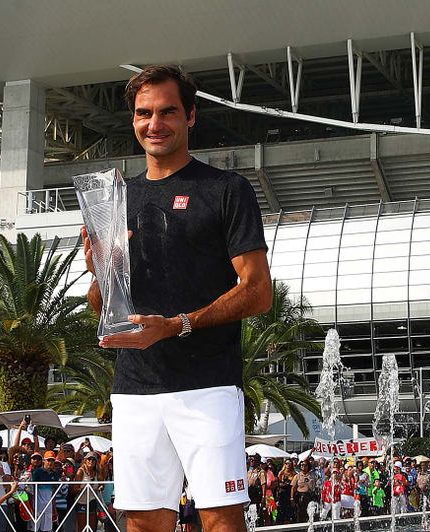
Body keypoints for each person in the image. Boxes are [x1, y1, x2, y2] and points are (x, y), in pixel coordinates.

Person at [86, 64, 272, 532]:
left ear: (191, 116)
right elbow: (101, 306)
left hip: (207, 384)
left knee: (221, 522)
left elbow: (258, 291)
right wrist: (102, 274)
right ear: (133, 120)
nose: (155, 124)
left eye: (168, 111)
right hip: (135, 388)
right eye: (144, 114)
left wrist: (176, 326)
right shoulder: (114, 200)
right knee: (144, 523)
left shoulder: (226, 190)